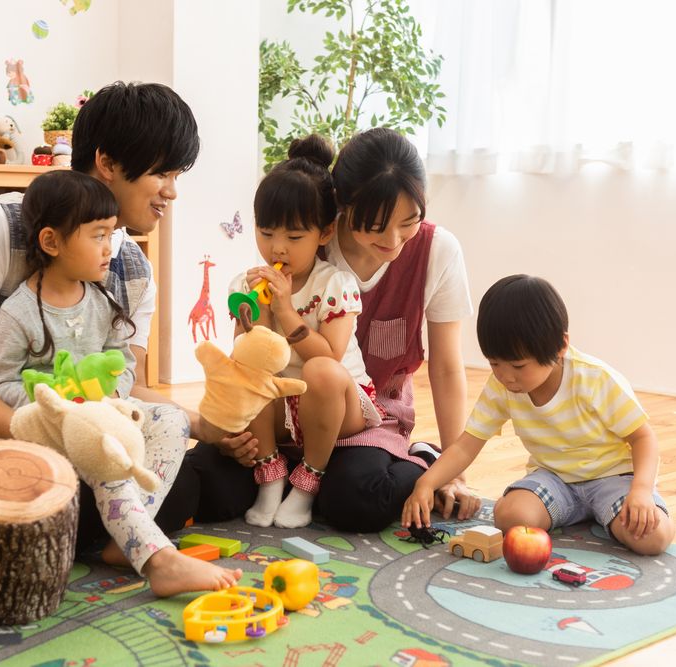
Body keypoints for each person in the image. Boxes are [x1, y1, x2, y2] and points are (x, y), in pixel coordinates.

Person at [0, 82, 200, 554]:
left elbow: (123, 380)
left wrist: (202, 424)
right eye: (162, 173)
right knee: (43, 507)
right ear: (108, 163)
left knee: (198, 485)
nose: (172, 192)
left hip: (83, 428)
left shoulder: (135, 269)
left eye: (177, 176)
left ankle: (94, 529)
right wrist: (58, 430)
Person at [181, 127, 480, 532]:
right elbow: (252, 354)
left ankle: (417, 458)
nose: (393, 241)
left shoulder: (436, 252)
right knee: (208, 488)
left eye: (409, 222)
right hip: (276, 412)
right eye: (375, 226)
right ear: (339, 211)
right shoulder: (304, 238)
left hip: (364, 418)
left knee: (357, 500)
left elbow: (445, 367)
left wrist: (451, 468)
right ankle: (286, 477)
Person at [0, 169, 238, 593]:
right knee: (105, 446)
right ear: (51, 242)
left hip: (102, 411)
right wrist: (56, 398)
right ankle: (157, 559)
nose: (109, 250)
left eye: (112, 235)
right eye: (98, 236)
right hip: (50, 424)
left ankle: (131, 531)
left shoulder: (103, 300)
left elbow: (124, 367)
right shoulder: (20, 311)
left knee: (171, 418)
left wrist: (111, 393)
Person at [403, 275, 676, 555]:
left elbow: (644, 438)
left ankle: (606, 510)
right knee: (510, 516)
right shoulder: (502, 386)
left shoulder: (595, 379)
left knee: (654, 537)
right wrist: (426, 483)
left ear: (560, 346)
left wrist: (641, 490)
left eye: (519, 365)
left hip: (613, 478)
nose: (506, 377)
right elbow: (465, 445)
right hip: (555, 478)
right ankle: (590, 514)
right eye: (495, 363)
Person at [223, 135, 384, 529]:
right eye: (266, 233)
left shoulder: (334, 284)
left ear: (325, 233)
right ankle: (270, 475)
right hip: (280, 409)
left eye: (294, 238)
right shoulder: (247, 282)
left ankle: (309, 482)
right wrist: (257, 312)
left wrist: (285, 310)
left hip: (337, 404)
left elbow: (329, 355)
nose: (277, 248)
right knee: (246, 367)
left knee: (320, 371)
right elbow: (252, 357)